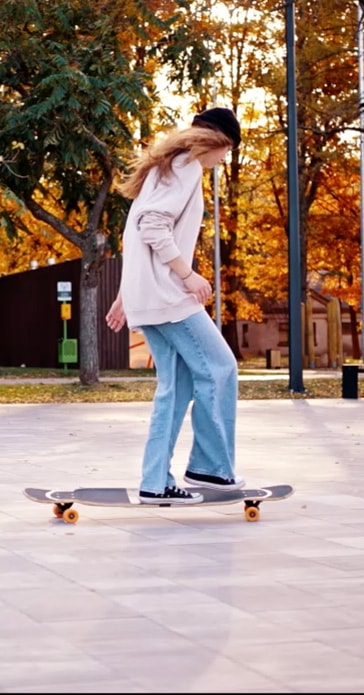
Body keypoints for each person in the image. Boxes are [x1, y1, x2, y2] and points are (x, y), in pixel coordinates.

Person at [105, 108, 243, 505]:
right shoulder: (186, 167)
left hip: (149, 294)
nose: (223, 160)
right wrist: (187, 275)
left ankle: (154, 481)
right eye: (227, 150)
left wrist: (126, 294)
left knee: (177, 387)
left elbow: (133, 232)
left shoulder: (163, 168)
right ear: (217, 140)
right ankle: (210, 468)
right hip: (169, 297)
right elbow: (151, 227)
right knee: (221, 367)